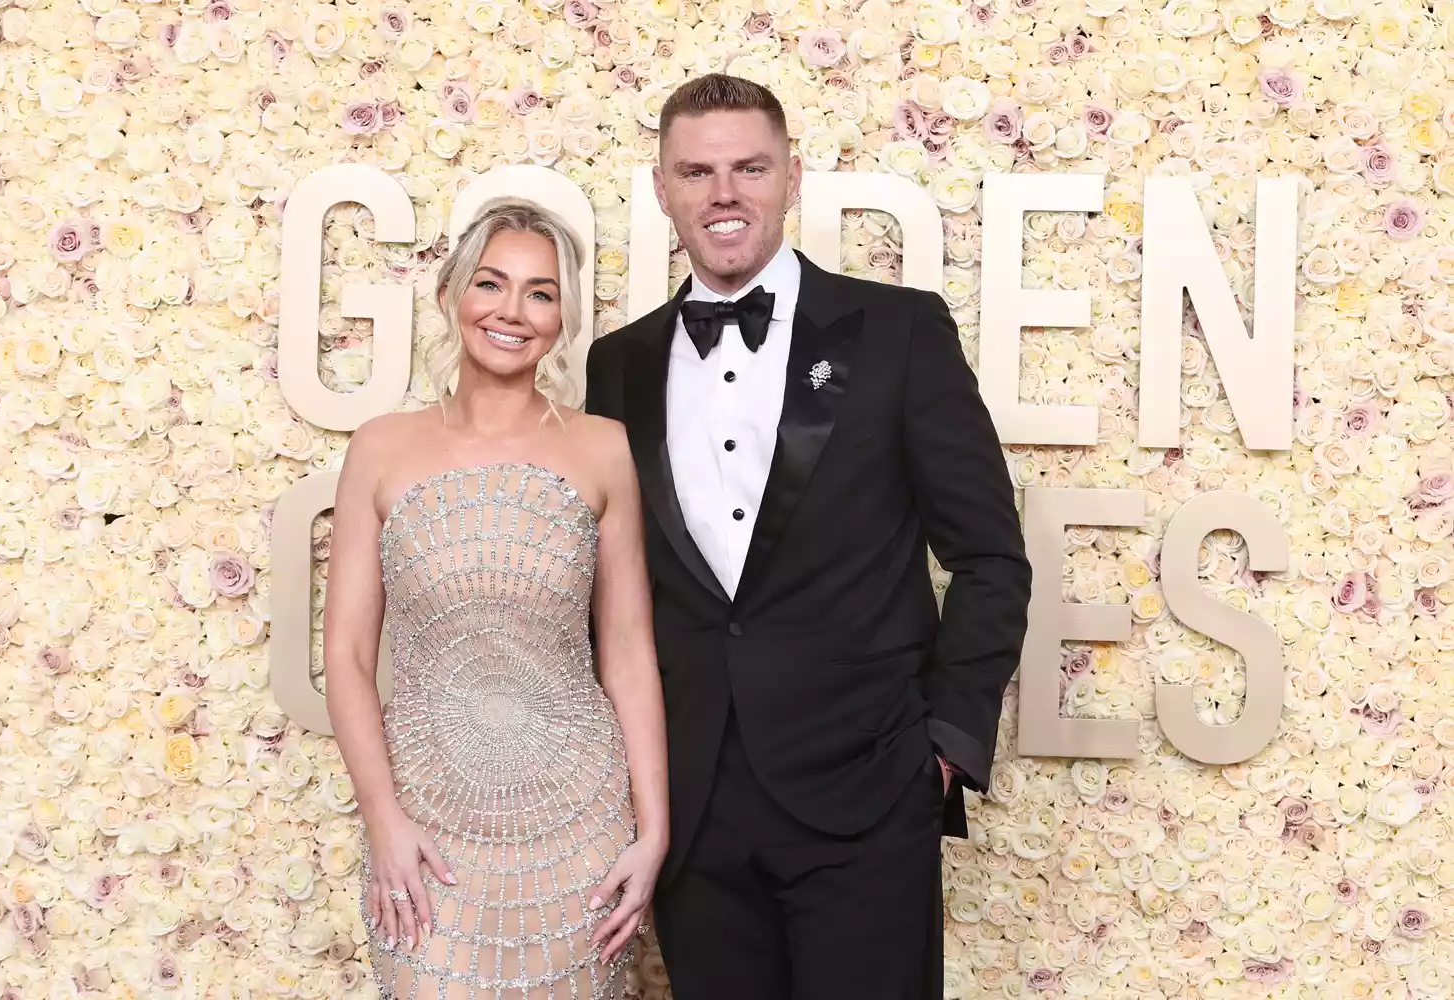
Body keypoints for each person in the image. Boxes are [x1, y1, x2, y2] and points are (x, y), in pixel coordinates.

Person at [585, 74, 1032, 1000]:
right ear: (662, 187)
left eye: (750, 167)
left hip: (867, 790)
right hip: (693, 801)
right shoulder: (617, 364)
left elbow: (990, 554)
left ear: (793, 175)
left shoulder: (901, 331)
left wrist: (943, 744)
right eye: (696, 172)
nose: (724, 193)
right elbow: (610, 588)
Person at [324, 198, 669, 1000]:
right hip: (423, 821)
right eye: (492, 283)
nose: (512, 311)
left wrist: (653, 831)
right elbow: (344, 655)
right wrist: (383, 820)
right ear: (452, 294)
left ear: (563, 319)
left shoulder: (603, 446)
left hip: (579, 821)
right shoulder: (380, 447)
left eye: (540, 293)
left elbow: (627, 649)